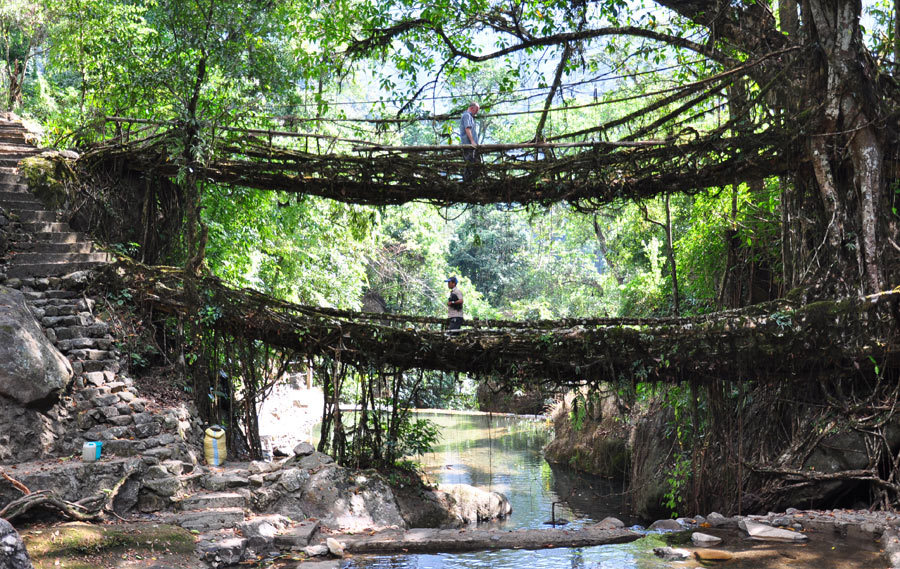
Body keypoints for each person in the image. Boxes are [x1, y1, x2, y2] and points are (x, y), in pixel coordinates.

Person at [459, 102, 480, 182]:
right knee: (469, 164)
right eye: (476, 110)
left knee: (474, 164)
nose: (477, 112)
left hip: (471, 146)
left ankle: (471, 182)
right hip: (469, 145)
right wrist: (472, 141)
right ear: (472, 108)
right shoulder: (467, 115)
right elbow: (467, 129)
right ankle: (467, 183)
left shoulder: (469, 116)